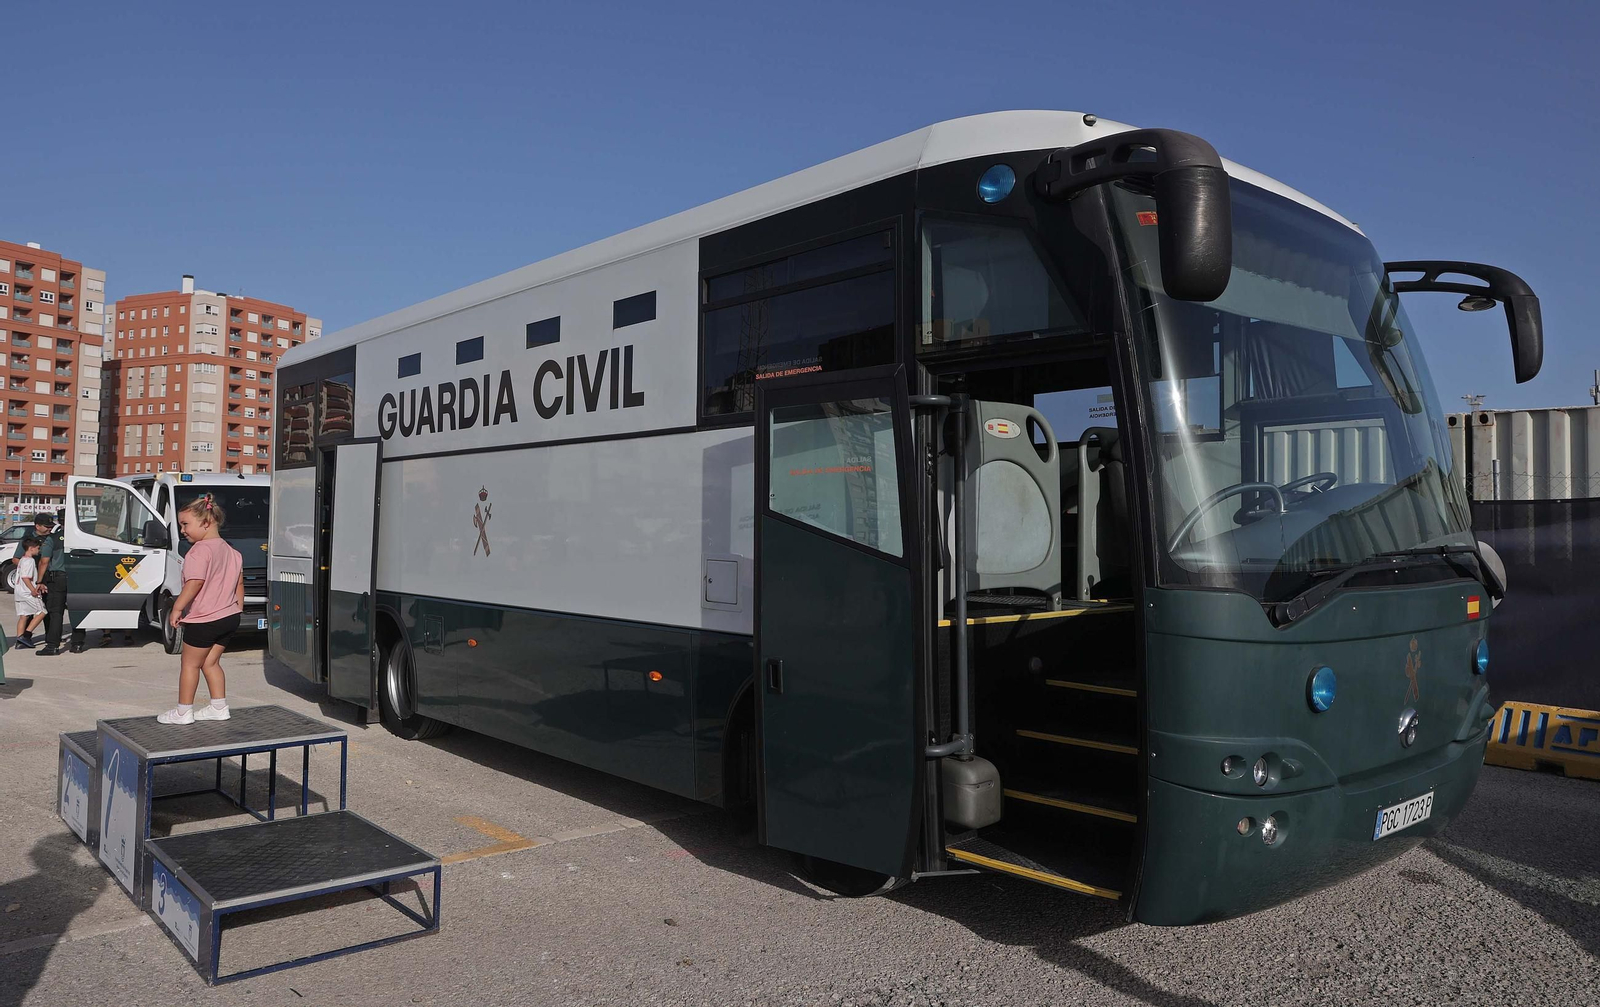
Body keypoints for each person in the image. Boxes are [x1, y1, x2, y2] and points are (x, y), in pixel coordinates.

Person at [156, 494, 244, 725]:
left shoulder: (198, 551)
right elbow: (239, 584)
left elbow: (195, 582)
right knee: (211, 662)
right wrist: (237, 609)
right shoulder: (232, 551)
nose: (182, 530)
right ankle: (219, 707)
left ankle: (183, 712)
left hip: (204, 620)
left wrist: (177, 608)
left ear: (206, 522)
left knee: (189, 664)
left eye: (185, 524)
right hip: (229, 617)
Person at [16, 513, 69, 656]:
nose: (49, 529)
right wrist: (32, 565)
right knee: (33, 612)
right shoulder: (29, 540)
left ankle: (48, 637)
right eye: (46, 526)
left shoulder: (52, 538)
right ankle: (24, 638)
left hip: (48, 581)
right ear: (37, 526)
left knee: (48, 610)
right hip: (35, 582)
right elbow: (16, 559)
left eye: (51, 526)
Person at [13, 537, 46, 648]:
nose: (39, 550)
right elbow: (25, 577)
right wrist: (33, 590)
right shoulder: (29, 561)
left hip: (19, 592)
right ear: (31, 548)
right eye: (37, 548)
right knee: (42, 612)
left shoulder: (22, 559)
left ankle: (19, 640)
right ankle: (26, 635)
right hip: (27, 592)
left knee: (24, 615)